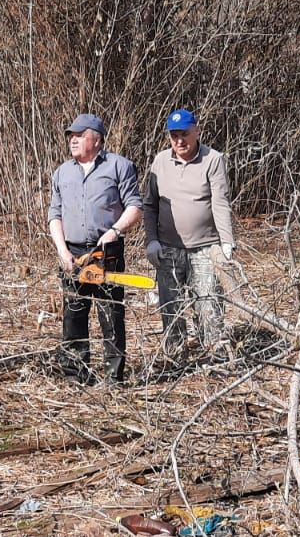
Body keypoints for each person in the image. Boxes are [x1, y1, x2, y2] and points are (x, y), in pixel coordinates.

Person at [47, 113, 143, 383]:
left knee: (110, 314)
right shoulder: (62, 172)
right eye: (71, 136)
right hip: (73, 253)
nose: (73, 140)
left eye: (80, 135)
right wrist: (62, 251)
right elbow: (54, 215)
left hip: (106, 251)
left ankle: (114, 379)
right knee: (73, 316)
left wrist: (115, 231)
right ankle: (77, 376)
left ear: (97, 140)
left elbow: (135, 206)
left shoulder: (119, 166)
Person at [142, 108, 236, 366]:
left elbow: (220, 202)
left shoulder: (212, 159)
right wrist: (151, 240)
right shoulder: (160, 162)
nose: (179, 141)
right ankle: (175, 360)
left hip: (205, 247)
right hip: (168, 248)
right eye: (174, 136)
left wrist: (226, 242)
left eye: (184, 134)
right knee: (170, 308)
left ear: (197, 131)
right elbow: (149, 205)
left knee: (208, 305)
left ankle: (214, 359)